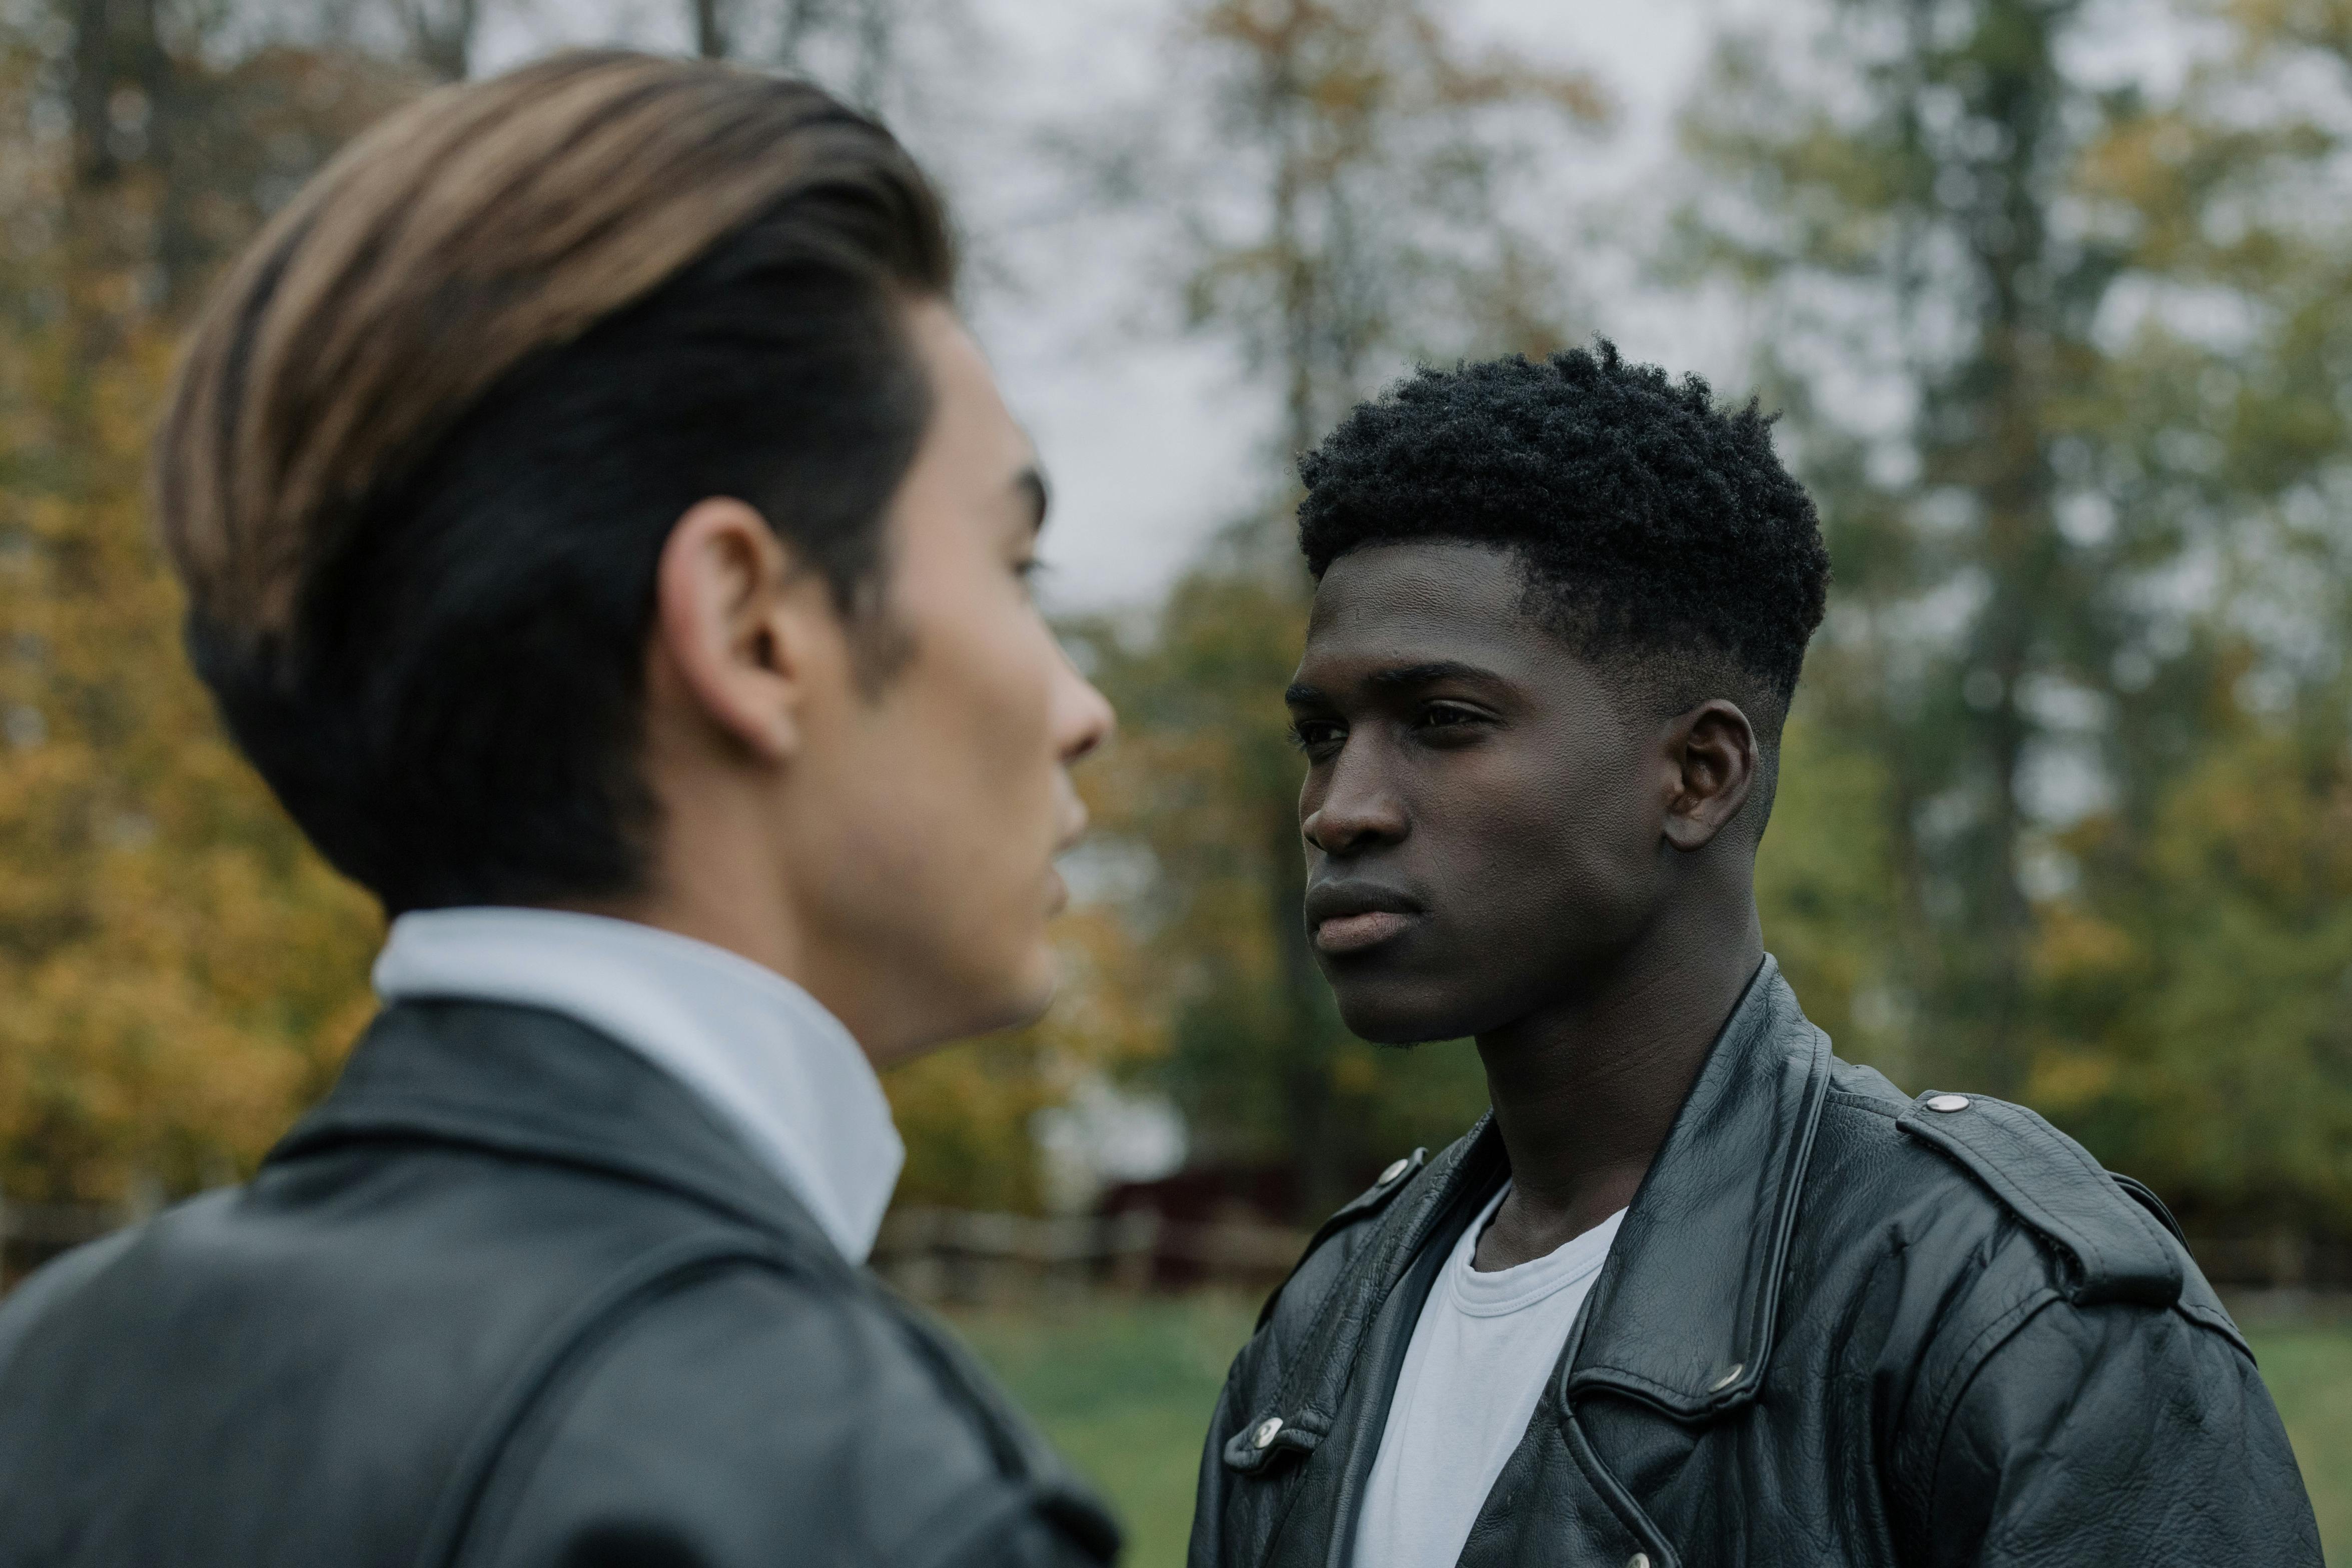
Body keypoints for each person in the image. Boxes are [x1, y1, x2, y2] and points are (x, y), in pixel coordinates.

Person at [0, 51, 1120, 1568]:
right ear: (751, 626)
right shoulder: (849, 1487)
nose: (1080, 706)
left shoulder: (55, 1361)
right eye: (1014, 566)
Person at [1189, 345, 2321, 1568]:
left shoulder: (1997, 1312)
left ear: (1697, 775)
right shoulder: (1321, 1326)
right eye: (1320, 734)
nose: (1338, 806)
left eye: (1440, 723)